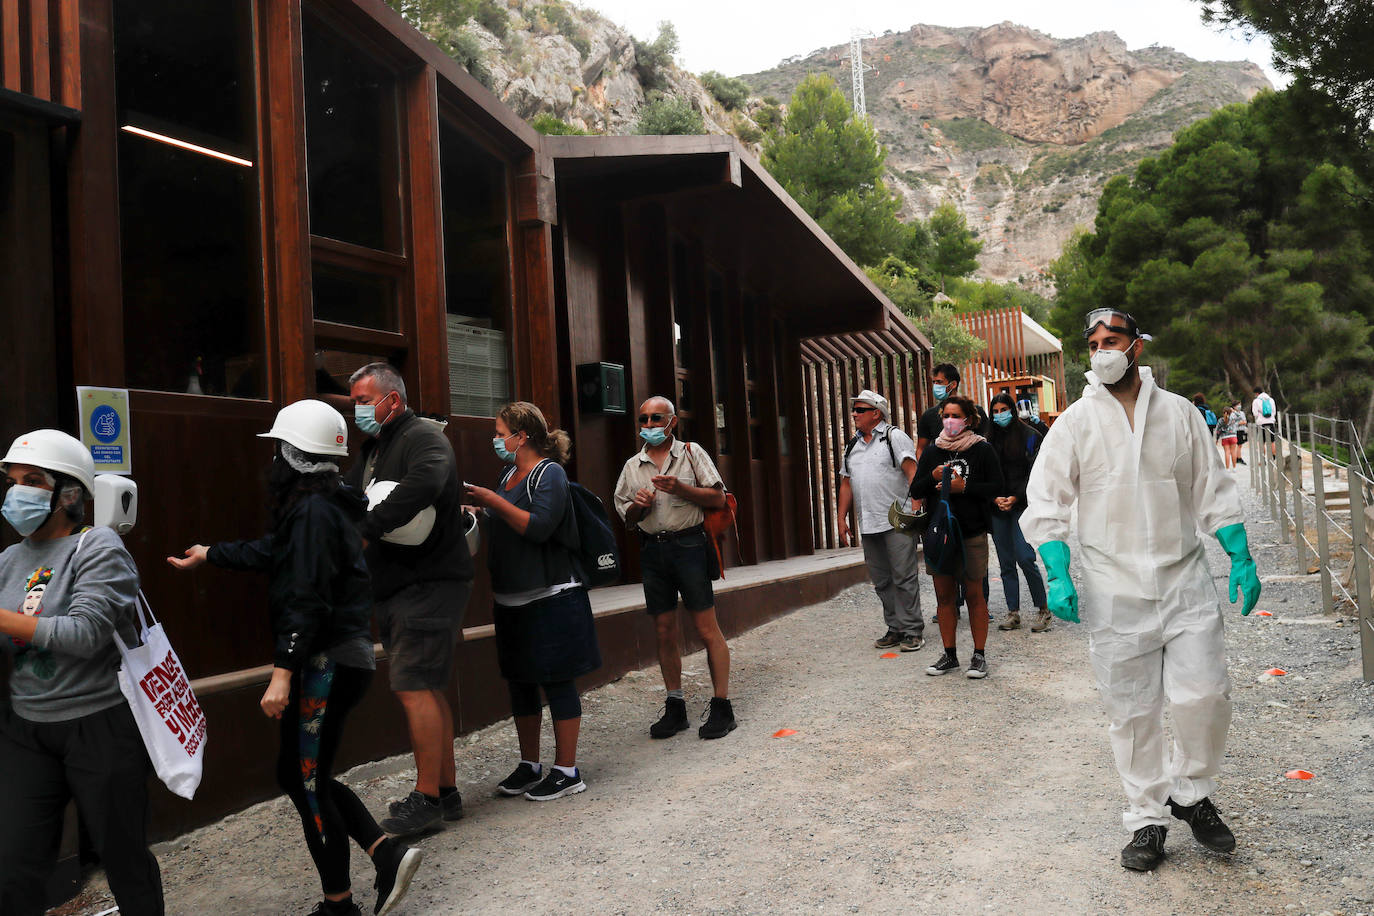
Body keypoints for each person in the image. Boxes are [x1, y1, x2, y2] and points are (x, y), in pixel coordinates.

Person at [1021, 308, 1262, 872]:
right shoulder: (1075, 422)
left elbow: (1212, 489)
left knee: (1204, 695)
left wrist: (1242, 555)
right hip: (1112, 586)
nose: (1103, 350)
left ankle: (1191, 794)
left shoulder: (1179, 415)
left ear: (1137, 346)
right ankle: (1146, 819)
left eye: (1114, 340)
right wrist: (1057, 570)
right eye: (1094, 343)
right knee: (1131, 711)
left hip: (1184, 579)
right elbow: (1047, 500)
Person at [170, 401, 421, 916]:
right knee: (303, 775)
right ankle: (384, 852)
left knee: (305, 779)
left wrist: (282, 673)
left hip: (324, 662)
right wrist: (211, 553)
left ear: (294, 454)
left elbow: (305, 595)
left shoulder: (311, 510)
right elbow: (277, 553)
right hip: (336, 659)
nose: (274, 461)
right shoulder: (325, 506)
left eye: (279, 450)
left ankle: (339, 904)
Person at [0, 430, 164, 916]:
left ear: (69, 493)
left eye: (32, 480)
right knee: (13, 866)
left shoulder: (98, 547)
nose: (16, 492)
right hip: (25, 728)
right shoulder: (8, 560)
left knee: (124, 859)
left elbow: (85, 632)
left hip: (98, 725)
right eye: (11, 481)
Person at [346, 363, 475, 837]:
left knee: (412, 684)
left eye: (363, 400)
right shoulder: (376, 447)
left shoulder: (423, 437)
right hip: (401, 585)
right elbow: (349, 494)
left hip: (430, 581)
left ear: (392, 400)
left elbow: (427, 481)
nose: (356, 409)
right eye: (354, 401)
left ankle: (427, 800)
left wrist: (366, 528)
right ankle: (445, 789)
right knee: (426, 684)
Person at [464, 402, 602, 800]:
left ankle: (567, 770)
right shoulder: (508, 473)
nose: (495, 439)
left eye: (499, 431)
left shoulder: (549, 473)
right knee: (520, 683)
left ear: (521, 436)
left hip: (551, 594)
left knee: (558, 681)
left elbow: (540, 527)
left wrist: (494, 502)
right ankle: (529, 765)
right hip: (511, 597)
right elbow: (506, 521)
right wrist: (480, 511)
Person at [613, 396, 737, 738]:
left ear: (672, 422)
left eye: (656, 419)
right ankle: (675, 705)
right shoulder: (632, 466)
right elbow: (627, 520)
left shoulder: (691, 453)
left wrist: (680, 488)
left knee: (706, 627)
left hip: (690, 545)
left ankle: (722, 706)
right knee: (664, 630)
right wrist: (639, 506)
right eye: (643, 420)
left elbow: (718, 498)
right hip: (653, 549)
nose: (649, 426)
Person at [908, 396, 1004, 679]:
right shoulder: (933, 451)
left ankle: (979, 655)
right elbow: (916, 489)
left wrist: (966, 487)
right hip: (940, 535)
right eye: (945, 415)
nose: (949, 421)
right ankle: (949, 655)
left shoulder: (982, 450)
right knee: (944, 596)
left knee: (975, 595)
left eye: (955, 415)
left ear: (968, 420)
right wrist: (932, 476)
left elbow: (996, 486)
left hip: (971, 532)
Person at [832, 390, 925, 652]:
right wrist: (841, 518)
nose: (854, 414)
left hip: (897, 520)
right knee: (882, 579)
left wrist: (916, 509)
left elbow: (912, 472)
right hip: (869, 522)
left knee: (904, 576)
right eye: (854, 410)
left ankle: (912, 630)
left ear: (876, 413)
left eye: (860, 410)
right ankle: (895, 627)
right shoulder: (853, 445)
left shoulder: (894, 437)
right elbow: (846, 484)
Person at [986, 394, 1050, 633]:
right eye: (996, 410)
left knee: (1025, 557)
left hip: (1022, 505)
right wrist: (995, 498)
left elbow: (1035, 472)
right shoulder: (988, 439)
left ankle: (1043, 609)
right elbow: (985, 474)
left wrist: (1016, 497)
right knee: (1005, 562)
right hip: (998, 506)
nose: (1000, 414)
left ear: (1012, 410)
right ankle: (1013, 612)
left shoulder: (1031, 436)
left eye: (1004, 409)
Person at [1252, 387, 1277, 457]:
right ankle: (1274, 457)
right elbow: (1274, 411)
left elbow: (1255, 413)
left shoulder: (1256, 401)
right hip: (1271, 422)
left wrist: (1258, 418)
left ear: (1257, 393)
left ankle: (1263, 459)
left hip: (1261, 423)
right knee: (1272, 441)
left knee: (1262, 442)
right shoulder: (1271, 400)